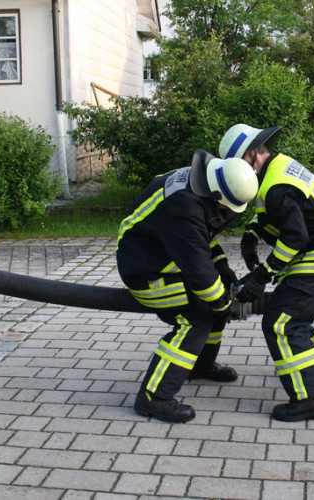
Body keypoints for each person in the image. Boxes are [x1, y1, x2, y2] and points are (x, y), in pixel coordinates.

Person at [219, 124, 314, 422]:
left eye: (237, 165)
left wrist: (262, 276)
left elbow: (295, 237)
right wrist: (250, 238)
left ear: (252, 154)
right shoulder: (278, 168)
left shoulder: (276, 185)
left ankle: (311, 398)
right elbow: (269, 212)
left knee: (281, 323)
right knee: (295, 317)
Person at [117, 150, 258, 423]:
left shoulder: (201, 182)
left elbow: (202, 239)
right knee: (197, 318)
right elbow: (199, 270)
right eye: (226, 208)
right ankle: (153, 397)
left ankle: (200, 366)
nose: (227, 214)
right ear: (217, 195)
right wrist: (225, 303)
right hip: (146, 272)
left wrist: (223, 270)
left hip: (168, 259)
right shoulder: (184, 208)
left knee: (213, 304)